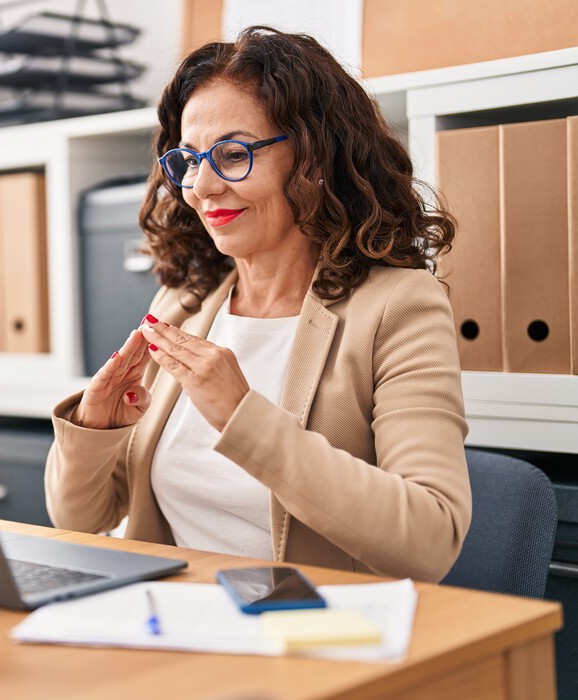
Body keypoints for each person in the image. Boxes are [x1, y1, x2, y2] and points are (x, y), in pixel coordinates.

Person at [44, 26, 471, 582]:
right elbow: (82, 519)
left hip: (312, 634)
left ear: (316, 155)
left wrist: (242, 416)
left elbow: (431, 541)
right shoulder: (187, 300)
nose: (202, 185)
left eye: (233, 154)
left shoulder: (399, 307)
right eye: (191, 159)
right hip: (173, 623)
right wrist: (95, 431)